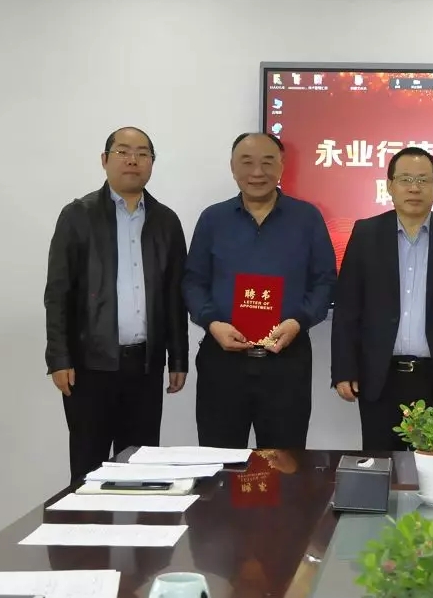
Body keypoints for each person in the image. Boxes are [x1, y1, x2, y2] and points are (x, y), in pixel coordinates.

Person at [44, 126, 189, 483]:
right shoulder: (77, 215)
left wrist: (178, 358)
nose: (132, 160)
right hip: (89, 366)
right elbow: (58, 292)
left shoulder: (166, 221)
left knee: (140, 469)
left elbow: (175, 295)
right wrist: (59, 357)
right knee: (88, 468)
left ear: (152, 163)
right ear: (105, 159)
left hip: (145, 366)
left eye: (142, 153)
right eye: (123, 151)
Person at [330, 147, 433, 451]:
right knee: (381, 466)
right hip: (380, 377)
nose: (414, 188)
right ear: (389, 185)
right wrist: (344, 369)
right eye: (405, 179)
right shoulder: (366, 233)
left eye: (423, 180)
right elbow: (348, 307)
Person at [183, 132, 336, 449]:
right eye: (247, 162)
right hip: (222, 361)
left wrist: (298, 321)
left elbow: (325, 281)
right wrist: (213, 323)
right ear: (232, 167)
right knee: (219, 461)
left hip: (286, 362)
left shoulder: (307, 218)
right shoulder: (213, 219)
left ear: (282, 166)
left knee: (284, 462)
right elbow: (193, 281)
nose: (257, 172)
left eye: (267, 162)